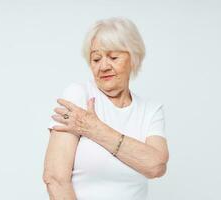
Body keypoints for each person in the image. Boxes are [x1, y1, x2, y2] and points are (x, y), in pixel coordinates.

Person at [43, 17, 169, 200]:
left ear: (133, 58)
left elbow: (156, 167)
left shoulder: (150, 110)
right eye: (96, 59)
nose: (103, 66)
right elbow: (55, 178)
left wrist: (95, 129)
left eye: (113, 57)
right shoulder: (79, 96)